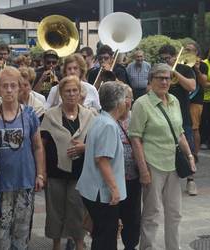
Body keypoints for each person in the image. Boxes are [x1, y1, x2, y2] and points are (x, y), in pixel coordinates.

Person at [129, 63, 196, 250]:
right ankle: (147, 247)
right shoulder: (142, 104)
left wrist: (189, 155)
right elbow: (135, 139)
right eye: (160, 77)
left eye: (167, 77)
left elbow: (180, 133)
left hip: (173, 164)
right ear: (151, 80)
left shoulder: (174, 100)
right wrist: (143, 170)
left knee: (175, 213)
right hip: (153, 164)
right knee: (152, 213)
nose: (165, 81)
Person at [0, 66, 45, 249]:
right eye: (5, 86)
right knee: (2, 235)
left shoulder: (29, 114)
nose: (9, 90)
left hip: (24, 182)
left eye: (13, 86)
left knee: (22, 234)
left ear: (20, 88)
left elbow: (37, 146)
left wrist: (40, 174)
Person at [41, 75, 95, 250]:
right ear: (61, 94)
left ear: (80, 93)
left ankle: (79, 243)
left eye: (75, 90)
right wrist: (42, 173)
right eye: (67, 91)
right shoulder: (49, 116)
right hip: (55, 172)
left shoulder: (90, 115)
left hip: (80, 174)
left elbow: (98, 143)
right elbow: (41, 146)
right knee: (55, 211)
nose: (71, 94)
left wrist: (84, 147)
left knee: (77, 211)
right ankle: (56, 244)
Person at [76, 81, 128, 250]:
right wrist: (114, 189)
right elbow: (102, 160)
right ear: (119, 103)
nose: (128, 103)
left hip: (94, 190)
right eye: (126, 98)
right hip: (101, 193)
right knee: (106, 238)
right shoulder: (108, 125)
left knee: (100, 234)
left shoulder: (101, 119)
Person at [158, 44, 197, 195]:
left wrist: (174, 72)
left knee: (188, 147)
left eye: (167, 58)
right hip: (163, 117)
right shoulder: (159, 71)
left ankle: (191, 181)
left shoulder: (186, 69)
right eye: (162, 59)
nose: (165, 61)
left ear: (174, 57)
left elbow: (192, 86)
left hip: (183, 116)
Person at [117, 84, 141, 250]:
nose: (126, 101)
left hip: (133, 177)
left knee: (132, 216)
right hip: (113, 179)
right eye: (123, 97)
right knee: (112, 217)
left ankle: (130, 245)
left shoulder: (137, 118)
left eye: (129, 97)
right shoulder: (108, 118)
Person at [186, 42, 210, 164]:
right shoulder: (181, 62)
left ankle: (195, 154)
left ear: (196, 52)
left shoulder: (202, 65)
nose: (188, 52)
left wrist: (197, 69)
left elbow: (203, 83)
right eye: (186, 50)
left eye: (191, 50)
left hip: (196, 100)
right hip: (183, 99)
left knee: (194, 128)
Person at [201, 48, 210, 149]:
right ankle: (203, 141)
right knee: (204, 120)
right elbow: (203, 83)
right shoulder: (204, 64)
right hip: (205, 98)